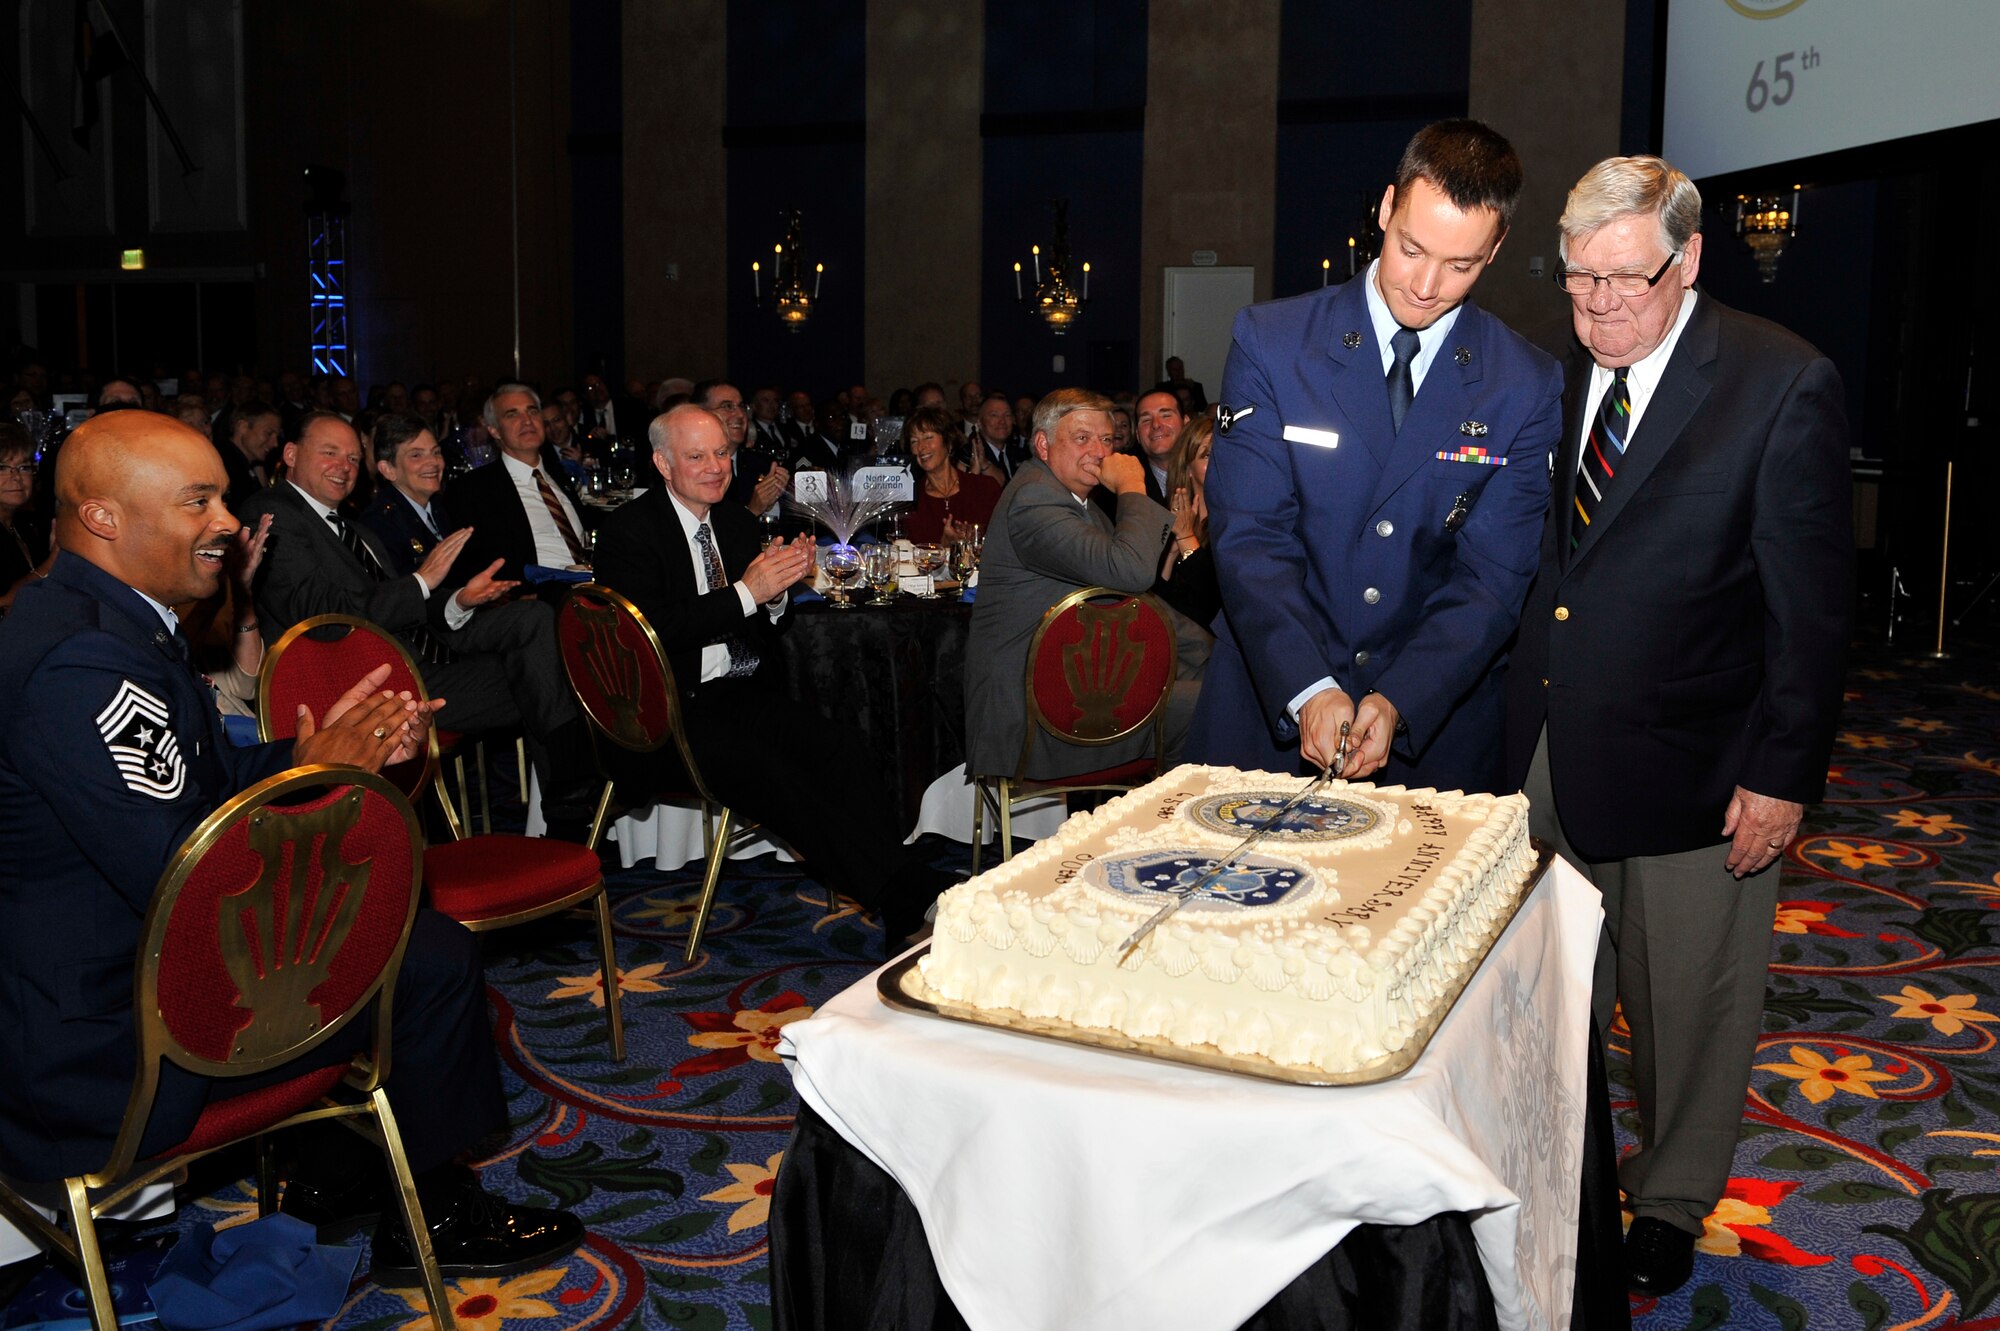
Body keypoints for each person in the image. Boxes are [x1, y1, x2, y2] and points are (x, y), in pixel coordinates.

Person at [0, 411, 582, 1282]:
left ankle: (333, 1178)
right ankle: (432, 1211)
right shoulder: (81, 659)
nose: (229, 523)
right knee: (422, 955)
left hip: (124, 974)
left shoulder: (101, 616)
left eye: (224, 498)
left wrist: (304, 757)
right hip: (104, 1048)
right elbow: (186, 878)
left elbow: (197, 772)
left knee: (413, 943)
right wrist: (320, 785)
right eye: (198, 501)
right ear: (104, 517)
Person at [1504, 155, 1852, 1296]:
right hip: (1548, 753)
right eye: (1576, 281)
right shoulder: (1555, 376)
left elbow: (1809, 611)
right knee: (1543, 987)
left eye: (1625, 281)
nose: (1599, 307)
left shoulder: (1776, 382)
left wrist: (1781, 771)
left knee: (1685, 1000)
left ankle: (1670, 1194)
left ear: (1688, 258)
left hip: (1699, 768)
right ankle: (1551, 1165)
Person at [1187, 119, 1561, 793]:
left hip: (1432, 736)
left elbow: (1493, 578)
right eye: (1411, 248)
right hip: (1269, 711)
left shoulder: (1525, 383)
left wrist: (1399, 698)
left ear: (1498, 247)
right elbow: (1250, 536)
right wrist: (1309, 685)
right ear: (1386, 209)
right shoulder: (1272, 343)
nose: (1425, 284)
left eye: (1461, 265)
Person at [591, 405, 951, 945]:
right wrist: (747, 594)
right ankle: (904, 896)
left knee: (841, 746)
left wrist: (776, 597)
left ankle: (898, 889)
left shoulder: (734, 522)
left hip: (736, 692)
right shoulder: (628, 532)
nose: (715, 466)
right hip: (664, 708)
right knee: (778, 776)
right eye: (697, 456)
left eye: (722, 453)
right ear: (663, 464)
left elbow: (760, 625)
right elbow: (653, 631)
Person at [239, 411, 603, 841]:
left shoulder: (352, 529)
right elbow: (324, 617)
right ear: (291, 454)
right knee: (546, 674)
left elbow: (403, 605)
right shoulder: (272, 513)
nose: (345, 467)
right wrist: (422, 581)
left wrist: (454, 599)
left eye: (354, 458)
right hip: (359, 684)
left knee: (540, 634)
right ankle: (571, 809)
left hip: (414, 660)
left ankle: (569, 804)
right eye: (330, 453)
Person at [965, 389, 1209, 784]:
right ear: (1043, 444)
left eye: (1107, 440)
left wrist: (1207, 651)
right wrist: (1132, 485)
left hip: (1076, 684)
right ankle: (1167, 831)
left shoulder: (1074, 498)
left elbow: (1129, 599)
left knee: (1218, 681)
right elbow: (1130, 573)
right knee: (1212, 705)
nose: (1100, 451)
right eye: (1082, 438)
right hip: (1034, 719)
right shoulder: (1035, 500)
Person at [442, 384, 592, 583]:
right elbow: (473, 564)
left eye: (532, 411)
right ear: (494, 430)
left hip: (593, 585)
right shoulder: (473, 490)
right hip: (538, 598)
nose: (527, 421)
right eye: (512, 415)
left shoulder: (559, 475)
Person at [361, 412, 455, 577]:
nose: (433, 462)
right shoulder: (378, 525)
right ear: (388, 470)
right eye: (416, 455)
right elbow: (398, 595)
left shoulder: (443, 506)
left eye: (436, 452)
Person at [1153, 415, 1220, 629]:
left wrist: (1186, 538)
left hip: (1212, 648)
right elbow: (1154, 600)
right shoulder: (1166, 517)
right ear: (1188, 469)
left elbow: (1215, 599)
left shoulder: (1236, 521)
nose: (1219, 461)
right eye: (1207, 455)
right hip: (1172, 644)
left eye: (1224, 453)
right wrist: (1171, 554)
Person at [903, 405, 1002, 546]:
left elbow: (1003, 543)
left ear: (948, 442)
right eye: (914, 441)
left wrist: (973, 541)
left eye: (928, 437)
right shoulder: (911, 504)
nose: (921, 447)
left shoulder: (985, 489)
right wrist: (943, 547)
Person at [0, 422, 50, 613]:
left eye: (23, 467)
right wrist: (50, 565)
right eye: (3, 467)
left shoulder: (26, 526)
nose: (15, 477)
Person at [1130, 388, 1184, 504]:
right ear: (1137, 435)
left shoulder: (1209, 478)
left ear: (1186, 423)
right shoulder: (1126, 489)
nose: (1155, 424)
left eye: (1166, 416)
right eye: (1146, 420)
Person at [971, 391, 1027, 479]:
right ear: (979, 422)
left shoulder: (1022, 456)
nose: (1002, 421)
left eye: (1007, 415)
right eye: (994, 415)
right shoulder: (970, 456)